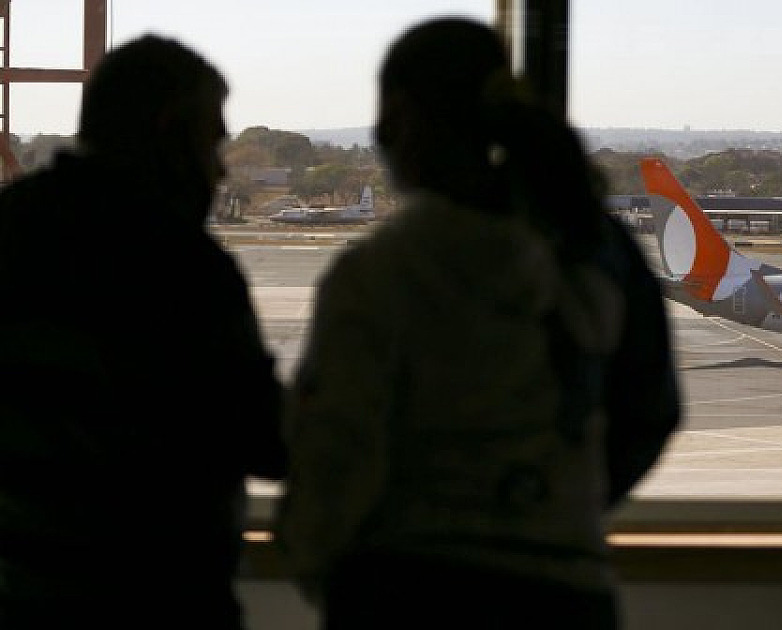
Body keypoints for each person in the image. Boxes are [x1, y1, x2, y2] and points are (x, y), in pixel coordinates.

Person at [275, 17, 681, 630]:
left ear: (402, 121)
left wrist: (326, 569)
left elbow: (335, 457)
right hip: (567, 594)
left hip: (409, 592)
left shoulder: (381, 271)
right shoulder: (600, 253)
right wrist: (551, 512)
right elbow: (652, 411)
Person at [0, 35, 285, 628]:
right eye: (212, 140)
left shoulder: (11, 232)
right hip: (159, 597)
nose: (220, 166)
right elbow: (266, 441)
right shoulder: (184, 268)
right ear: (169, 132)